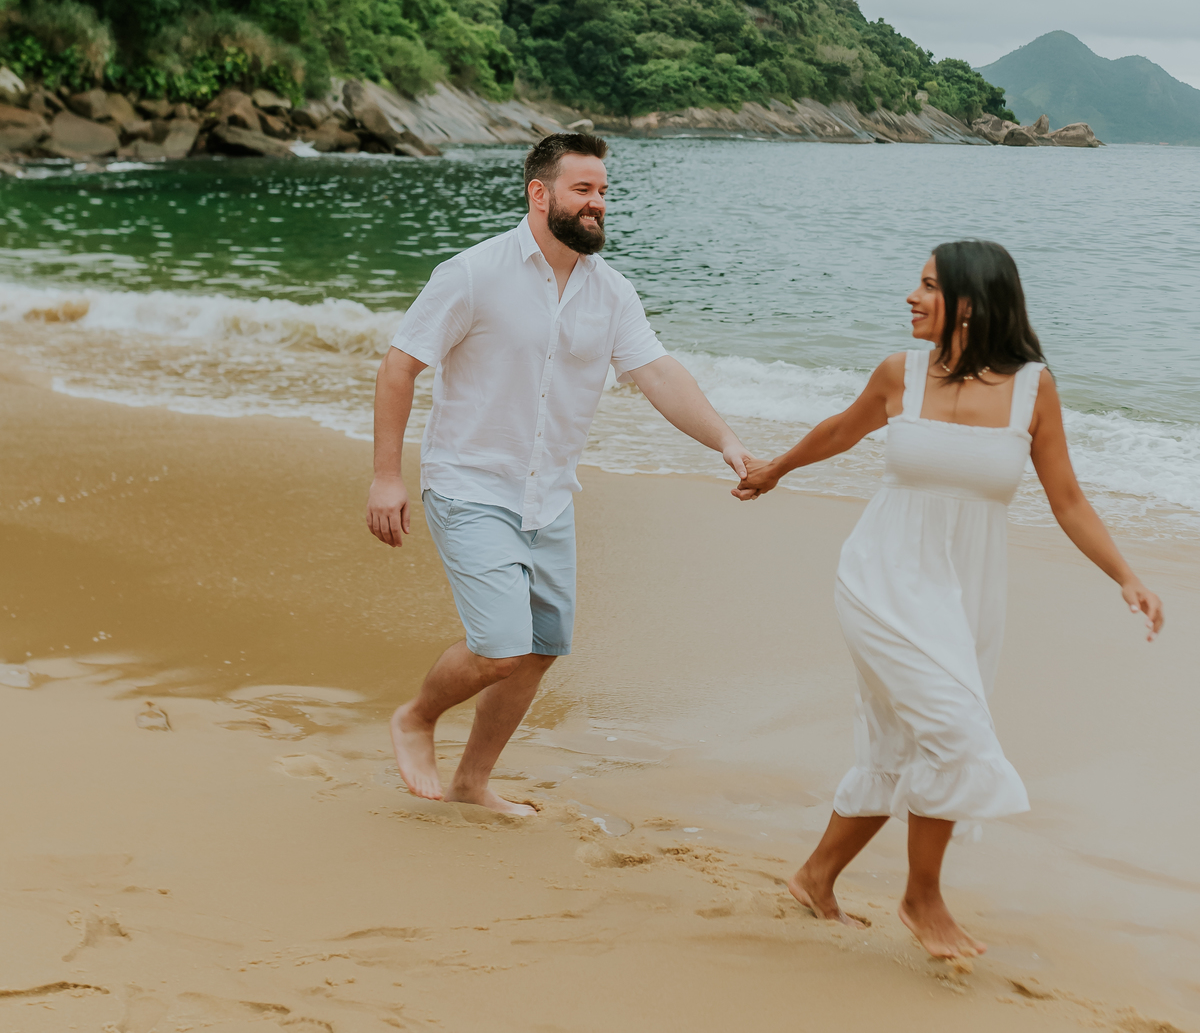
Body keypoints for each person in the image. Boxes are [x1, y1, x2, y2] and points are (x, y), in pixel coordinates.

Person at [734, 239, 1163, 959]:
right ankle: (922, 899)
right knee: (956, 732)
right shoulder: (898, 374)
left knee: (901, 741)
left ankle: (815, 879)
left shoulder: (1033, 389)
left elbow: (1068, 499)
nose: (912, 296)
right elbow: (841, 431)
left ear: (972, 302)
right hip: (880, 578)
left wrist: (1127, 575)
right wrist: (775, 469)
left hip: (966, 594)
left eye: (930, 285)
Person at [366, 130, 755, 815]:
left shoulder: (612, 292)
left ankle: (471, 783)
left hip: (548, 497)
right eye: (583, 189)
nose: (597, 202)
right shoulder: (473, 273)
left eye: (603, 191)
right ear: (539, 194)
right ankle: (417, 718)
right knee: (499, 648)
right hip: (470, 485)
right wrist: (386, 477)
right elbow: (400, 366)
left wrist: (725, 440)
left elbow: (658, 374)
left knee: (540, 648)